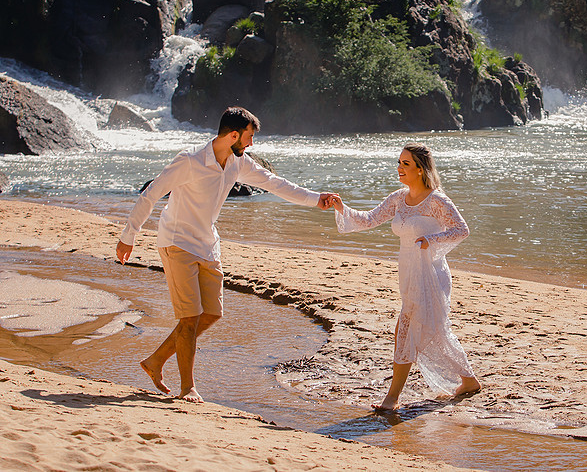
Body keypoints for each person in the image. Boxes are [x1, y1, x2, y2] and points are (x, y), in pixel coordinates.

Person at [115, 106, 336, 403]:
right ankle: (187, 388)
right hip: (177, 242)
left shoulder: (237, 162)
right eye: (248, 137)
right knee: (190, 318)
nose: (251, 144)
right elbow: (151, 193)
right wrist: (129, 236)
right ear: (233, 135)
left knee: (211, 314)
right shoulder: (189, 161)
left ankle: (155, 361)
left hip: (207, 242)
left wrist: (315, 199)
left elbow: (273, 183)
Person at [330, 143, 481, 411]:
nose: (399, 168)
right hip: (408, 272)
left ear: (421, 170)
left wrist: (431, 240)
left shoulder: (437, 201)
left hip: (431, 273)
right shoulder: (399, 198)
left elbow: (462, 230)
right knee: (433, 331)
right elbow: (368, 219)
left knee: (407, 328)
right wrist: (343, 208)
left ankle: (392, 398)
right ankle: (469, 381)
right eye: (399, 163)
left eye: (406, 164)